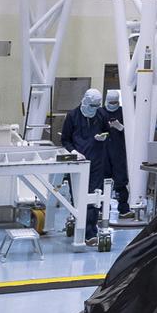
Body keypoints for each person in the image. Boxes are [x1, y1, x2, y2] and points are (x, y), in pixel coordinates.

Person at [60, 88, 111, 241]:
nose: (93, 109)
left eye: (96, 106)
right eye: (91, 106)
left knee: (94, 195)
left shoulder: (101, 114)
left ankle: (90, 232)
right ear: (85, 101)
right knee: (78, 195)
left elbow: (107, 131)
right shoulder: (72, 116)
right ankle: (78, 223)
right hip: (77, 162)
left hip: (97, 160)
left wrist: (104, 137)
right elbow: (65, 139)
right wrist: (73, 151)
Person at [102, 88, 131, 217]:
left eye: (115, 102)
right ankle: (103, 208)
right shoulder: (100, 112)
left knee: (121, 181)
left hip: (119, 151)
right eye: (111, 102)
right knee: (103, 181)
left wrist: (122, 128)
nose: (112, 105)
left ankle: (123, 208)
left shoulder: (124, 112)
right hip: (103, 151)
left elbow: (132, 133)